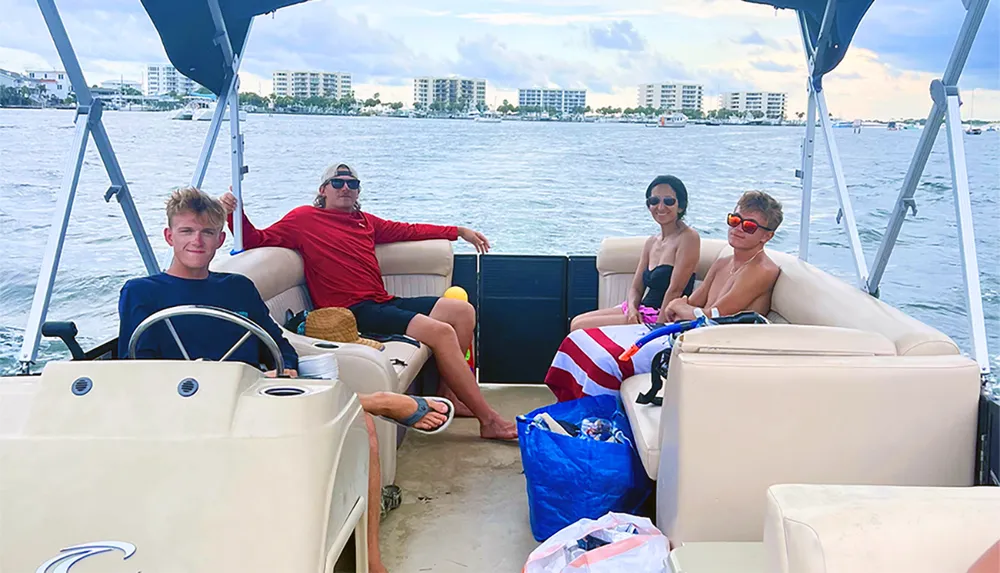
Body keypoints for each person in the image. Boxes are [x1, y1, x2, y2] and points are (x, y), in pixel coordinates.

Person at [118, 186, 452, 573]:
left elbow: (276, 341)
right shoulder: (142, 292)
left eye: (207, 233)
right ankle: (374, 400)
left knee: (363, 430)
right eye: (188, 231)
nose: (198, 241)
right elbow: (135, 365)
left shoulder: (236, 287)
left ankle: (370, 558)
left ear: (220, 239)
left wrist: (286, 366)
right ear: (169, 236)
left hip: (257, 394)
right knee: (355, 413)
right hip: (184, 404)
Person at [220, 163, 516, 440]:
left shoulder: (365, 222)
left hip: (382, 302)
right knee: (441, 331)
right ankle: (488, 421)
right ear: (323, 190)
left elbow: (409, 230)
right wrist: (234, 213)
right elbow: (257, 238)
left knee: (462, 311)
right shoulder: (303, 219)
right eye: (337, 183)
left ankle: (449, 395)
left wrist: (458, 232)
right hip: (353, 311)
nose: (345, 188)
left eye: (352, 184)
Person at [543, 190, 783, 402]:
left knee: (605, 360)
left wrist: (683, 308)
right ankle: (570, 410)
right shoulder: (723, 263)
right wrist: (684, 307)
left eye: (749, 226)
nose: (738, 228)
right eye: (734, 220)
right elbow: (693, 303)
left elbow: (712, 317)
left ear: (766, 236)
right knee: (579, 340)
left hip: (702, 349)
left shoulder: (762, 271)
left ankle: (598, 422)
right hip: (680, 333)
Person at [569, 175, 700, 331]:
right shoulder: (652, 242)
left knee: (580, 326)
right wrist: (632, 310)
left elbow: (675, 290)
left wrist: (657, 328)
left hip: (662, 316)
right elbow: (636, 288)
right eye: (654, 201)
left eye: (669, 201)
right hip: (640, 310)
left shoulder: (688, 238)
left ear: (680, 206)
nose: (661, 207)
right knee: (576, 321)